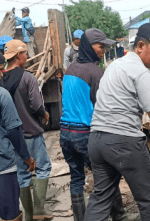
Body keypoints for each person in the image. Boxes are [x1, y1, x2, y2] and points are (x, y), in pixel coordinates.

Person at [84, 23, 150, 221]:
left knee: (100, 198)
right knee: (148, 199)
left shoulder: (114, 65)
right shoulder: (141, 73)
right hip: (124, 142)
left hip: (96, 141)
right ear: (140, 46)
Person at [60, 28, 125, 221]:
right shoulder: (96, 72)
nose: (103, 50)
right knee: (107, 176)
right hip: (84, 133)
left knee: (77, 178)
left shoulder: (71, 68)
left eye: (105, 46)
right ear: (89, 46)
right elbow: (102, 105)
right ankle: (119, 216)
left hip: (65, 132)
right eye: (100, 46)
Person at [1, 40, 52, 221]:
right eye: (24, 54)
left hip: (12, 138)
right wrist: (45, 115)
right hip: (31, 132)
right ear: (19, 56)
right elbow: (37, 105)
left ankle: (28, 216)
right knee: (43, 167)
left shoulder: (2, 79)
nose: (27, 57)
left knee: (22, 175)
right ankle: (39, 209)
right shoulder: (27, 78)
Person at [0, 52, 36, 221]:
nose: (2, 74)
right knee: (10, 214)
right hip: (3, 167)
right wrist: (27, 157)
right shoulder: (2, 95)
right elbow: (14, 131)